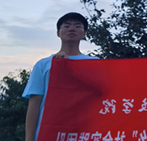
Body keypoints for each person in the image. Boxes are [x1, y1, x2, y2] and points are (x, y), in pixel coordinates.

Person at [23, 12, 99, 141]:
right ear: (58, 33)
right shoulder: (44, 64)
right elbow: (35, 103)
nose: (72, 29)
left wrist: (68, 67)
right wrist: (29, 138)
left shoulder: (95, 63)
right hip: (49, 131)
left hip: (85, 130)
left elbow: (101, 95)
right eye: (67, 25)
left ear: (84, 33)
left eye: (77, 26)